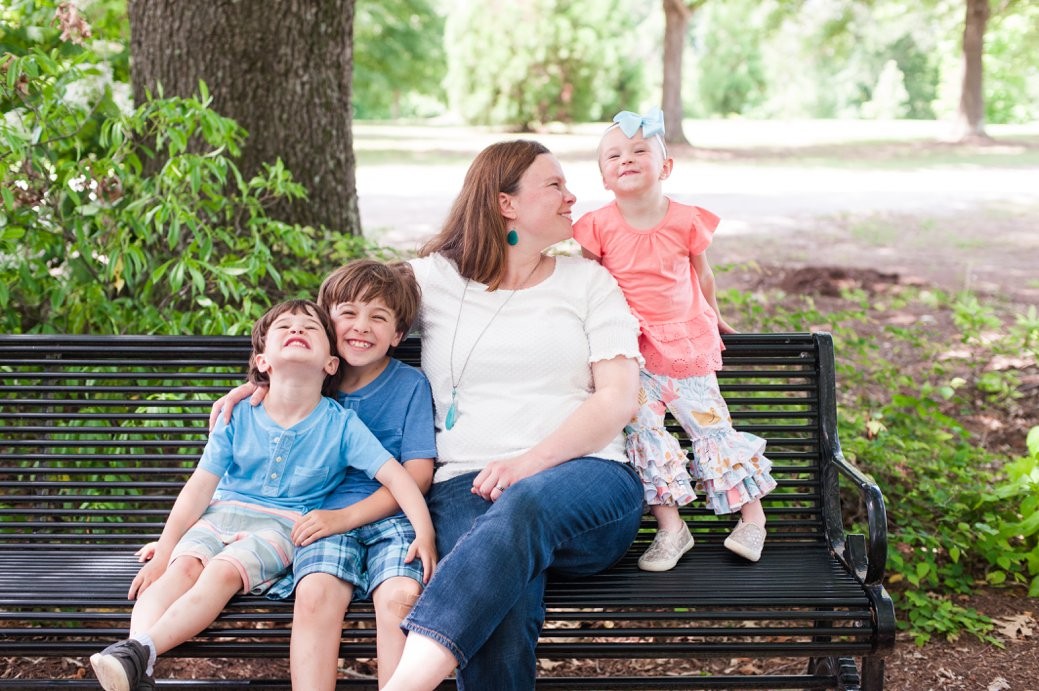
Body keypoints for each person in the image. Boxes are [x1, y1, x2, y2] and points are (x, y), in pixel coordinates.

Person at [377, 139, 646, 691]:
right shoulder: (432, 280)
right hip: (464, 485)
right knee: (502, 582)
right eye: (555, 185)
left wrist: (529, 462)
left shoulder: (589, 284)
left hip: (591, 481)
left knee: (519, 510)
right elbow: (337, 317)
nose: (573, 196)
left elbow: (618, 398)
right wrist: (262, 381)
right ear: (507, 204)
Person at [90, 299, 436, 691]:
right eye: (285, 327)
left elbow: (401, 477)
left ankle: (138, 653)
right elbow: (200, 485)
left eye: (309, 328)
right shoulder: (238, 413)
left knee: (220, 572)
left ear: (330, 364)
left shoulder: (341, 424)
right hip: (219, 515)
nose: (297, 331)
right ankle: (136, 660)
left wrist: (423, 532)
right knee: (177, 569)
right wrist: (167, 546)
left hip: (280, 527)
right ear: (263, 362)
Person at [206, 260, 437, 689]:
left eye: (378, 318)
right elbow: (272, 385)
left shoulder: (409, 386)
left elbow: (417, 475)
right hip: (316, 517)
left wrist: (346, 518)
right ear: (325, 321)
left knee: (400, 602)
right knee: (313, 597)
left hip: (391, 518)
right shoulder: (314, 376)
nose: (361, 327)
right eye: (348, 313)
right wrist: (250, 387)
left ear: (398, 335)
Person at [572, 108, 777, 571]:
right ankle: (671, 529)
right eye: (614, 155)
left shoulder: (686, 220)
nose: (626, 159)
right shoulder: (597, 226)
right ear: (603, 176)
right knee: (644, 434)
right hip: (630, 354)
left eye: (640, 150)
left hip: (688, 348)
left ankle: (752, 519)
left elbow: (702, 276)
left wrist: (715, 316)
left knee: (712, 430)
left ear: (665, 167)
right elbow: (589, 287)